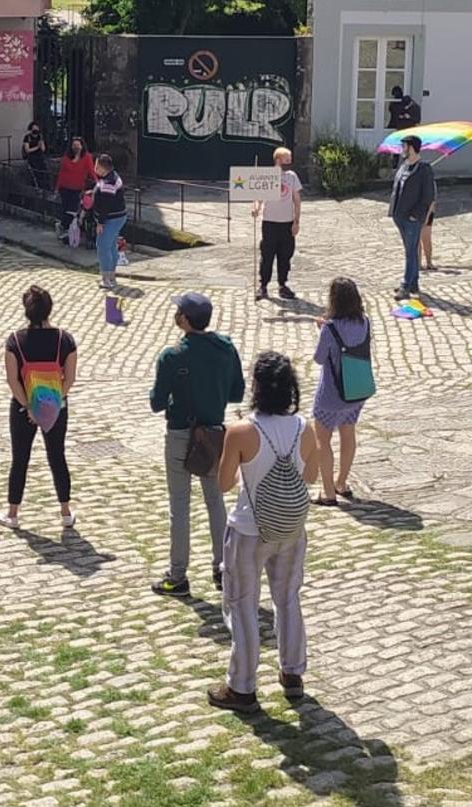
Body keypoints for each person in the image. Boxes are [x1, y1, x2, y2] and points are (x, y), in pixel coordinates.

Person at [209, 351, 316, 712]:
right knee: (287, 598)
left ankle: (242, 686)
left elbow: (224, 484)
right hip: (290, 527)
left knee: (242, 605)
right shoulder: (305, 428)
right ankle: (292, 671)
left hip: (249, 530)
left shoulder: (241, 431)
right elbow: (310, 477)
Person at [148, 292, 244, 596]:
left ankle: (177, 575)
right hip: (214, 433)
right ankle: (222, 568)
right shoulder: (225, 348)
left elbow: (156, 402)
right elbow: (237, 393)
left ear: (185, 320)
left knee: (180, 505)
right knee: (216, 502)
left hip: (180, 434)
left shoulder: (172, 355)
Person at [3, 285, 77, 530]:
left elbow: (13, 380)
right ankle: (65, 510)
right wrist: (53, 403)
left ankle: (13, 513)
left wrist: (29, 406)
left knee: (20, 458)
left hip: (23, 408)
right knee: (57, 456)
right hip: (57, 406)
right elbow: (70, 378)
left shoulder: (15, 340)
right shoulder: (64, 339)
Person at [310, 278, 370, 505]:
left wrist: (322, 330)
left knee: (322, 440)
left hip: (331, 394)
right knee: (348, 434)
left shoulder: (330, 328)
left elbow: (318, 359)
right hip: (356, 391)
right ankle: (341, 482)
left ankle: (328, 492)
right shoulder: (365, 322)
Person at [253, 146, 304, 301]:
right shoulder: (268, 176)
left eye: (290, 160)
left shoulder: (292, 176)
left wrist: (296, 221)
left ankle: (283, 285)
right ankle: (263, 286)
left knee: (285, 255)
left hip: (286, 223)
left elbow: (297, 200)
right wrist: (256, 208)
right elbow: (258, 197)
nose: (289, 163)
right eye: (286, 160)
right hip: (269, 222)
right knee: (267, 255)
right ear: (278, 160)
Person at [389, 135, 436, 297]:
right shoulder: (404, 166)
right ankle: (413, 283)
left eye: (404, 146)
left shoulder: (424, 169)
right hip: (399, 216)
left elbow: (428, 196)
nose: (402, 149)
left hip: (412, 218)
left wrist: (416, 216)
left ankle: (405, 285)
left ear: (412, 147)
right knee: (410, 250)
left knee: (411, 252)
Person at [88, 154, 127, 288]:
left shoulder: (108, 183)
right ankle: (111, 276)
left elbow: (105, 206)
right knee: (111, 246)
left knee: (103, 246)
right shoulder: (112, 176)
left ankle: (106, 279)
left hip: (111, 218)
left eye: (96, 166)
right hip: (118, 217)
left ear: (102, 168)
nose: (94, 168)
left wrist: (100, 223)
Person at [53, 137, 94, 232]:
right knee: (65, 209)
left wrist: (98, 183)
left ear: (82, 146)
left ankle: (69, 229)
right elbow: (61, 174)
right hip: (65, 188)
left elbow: (91, 172)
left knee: (74, 210)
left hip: (78, 188)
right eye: (74, 145)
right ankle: (64, 228)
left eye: (78, 145)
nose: (76, 147)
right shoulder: (66, 158)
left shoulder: (87, 157)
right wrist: (57, 188)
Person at [21, 121, 48, 188]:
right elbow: (27, 150)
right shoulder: (27, 137)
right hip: (31, 156)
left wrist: (41, 144)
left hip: (39, 156)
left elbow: (43, 149)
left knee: (44, 171)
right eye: (34, 129)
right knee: (36, 172)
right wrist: (37, 147)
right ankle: (38, 187)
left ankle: (46, 187)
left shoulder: (40, 137)